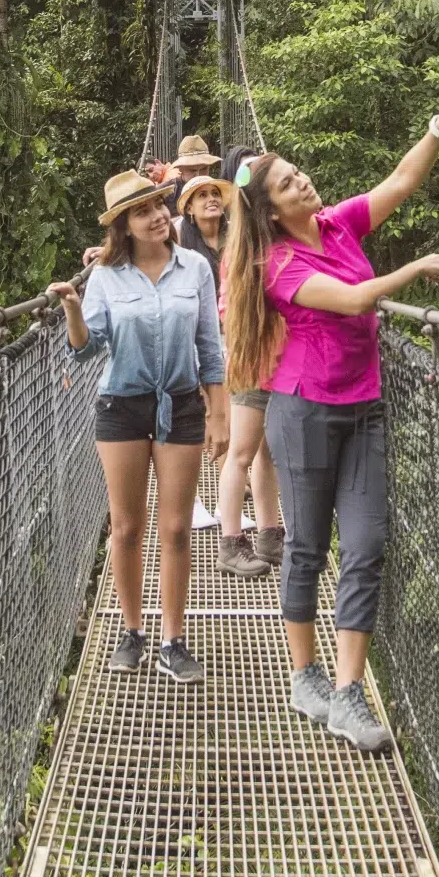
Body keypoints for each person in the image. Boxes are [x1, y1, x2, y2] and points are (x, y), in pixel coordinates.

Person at [222, 87, 439, 752]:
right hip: (304, 410)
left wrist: (437, 128)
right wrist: (415, 267)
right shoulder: (276, 262)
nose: (300, 180)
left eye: (296, 172)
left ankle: (347, 691)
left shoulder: (339, 224)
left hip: (363, 407)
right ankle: (303, 675)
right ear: (271, 211)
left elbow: (400, 180)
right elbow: (355, 298)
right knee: (307, 546)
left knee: (365, 547)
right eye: (285, 182)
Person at [52, 168, 228, 684]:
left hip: (181, 404)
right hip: (121, 406)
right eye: (141, 211)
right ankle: (132, 632)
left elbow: (210, 348)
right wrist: (72, 309)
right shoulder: (105, 277)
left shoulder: (195, 268)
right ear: (122, 226)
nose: (155, 217)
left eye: (157, 207)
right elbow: (85, 353)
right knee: (127, 527)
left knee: (175, 528)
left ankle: (174, 640)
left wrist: (218, 414)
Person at [182, 171, 281, 578]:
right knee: (239, 452)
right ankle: (232, 539)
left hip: (264, 355)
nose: (211, 200)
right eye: (200, 195)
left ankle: (271, 534)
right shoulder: (194, 240)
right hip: (237, 353)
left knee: (265, 452)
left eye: (215, 194)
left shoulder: (241, 237)